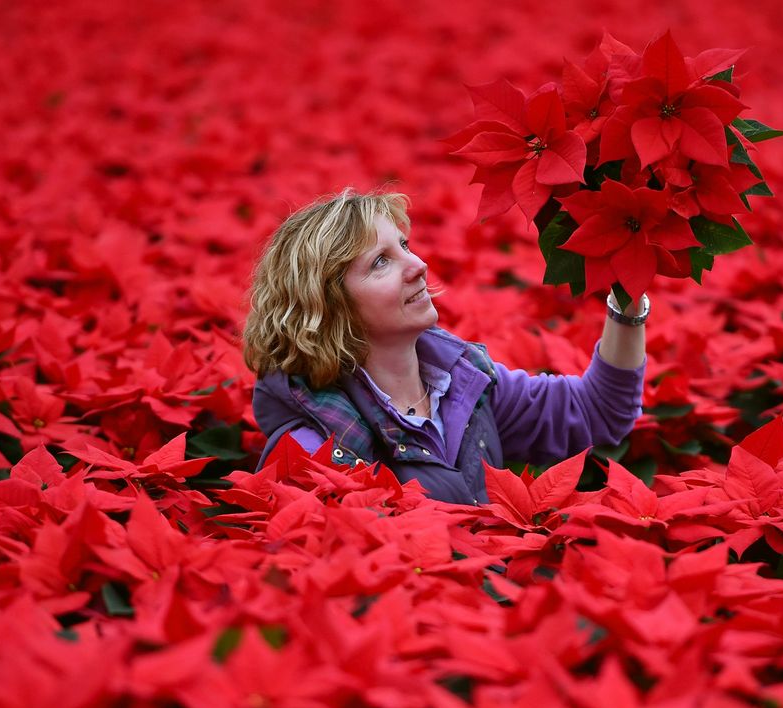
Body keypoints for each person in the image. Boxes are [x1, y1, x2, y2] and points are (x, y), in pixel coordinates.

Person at [242, 188, 649, 505]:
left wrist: (626, 301)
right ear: (327, 305)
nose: (417, 264)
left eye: (403, 245)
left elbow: (597, 412)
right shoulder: (311, 448)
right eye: (380, 261)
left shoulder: (465, 385)